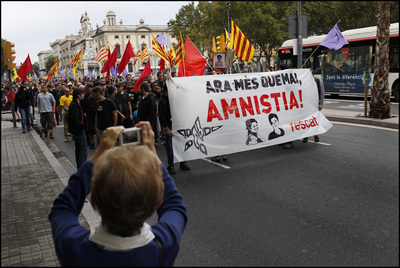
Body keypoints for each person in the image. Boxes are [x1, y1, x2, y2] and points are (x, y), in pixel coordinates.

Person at [48, 122, 188, 266]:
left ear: (96, 197)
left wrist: (96, 157)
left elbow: (62, 208)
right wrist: (153, 157)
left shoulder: (74, 248)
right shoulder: (163, 246)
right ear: (154, 201)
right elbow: (174, 206)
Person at [158, 85, 190, 174]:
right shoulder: (162, 101)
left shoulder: (177, 99)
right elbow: (162, 116)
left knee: (182, 144)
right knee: (170, 146)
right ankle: (171, 165)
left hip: (179, 125)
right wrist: (167, 128)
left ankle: (183, 162)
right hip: (170, 125)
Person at [68, 88, 88, 170]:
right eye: (82, 94)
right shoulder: (74, 105)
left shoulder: (78, 103)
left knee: (79, 149)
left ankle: (80, 167)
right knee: (82, 150)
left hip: (78, 130)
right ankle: (82, 168)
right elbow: (75, 119)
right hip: (79, 130)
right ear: (78, 95)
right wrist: (82, 126)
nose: (83, 95)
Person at [303, 68, 324, 143]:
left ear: (313, 74)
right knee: (306, 120)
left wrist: (321, 104)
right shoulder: (304, 82)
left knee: (315, 120)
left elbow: (321, 93)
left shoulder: (317, 81)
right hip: (307, 105)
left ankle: (316, 135)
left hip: (315, 105)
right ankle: (306, 135)